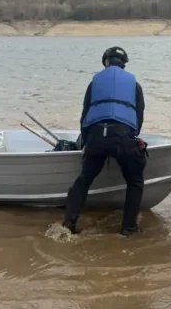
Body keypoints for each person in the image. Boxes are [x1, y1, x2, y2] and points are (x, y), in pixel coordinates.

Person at [62, 46, 147, 236]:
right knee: (134, 182)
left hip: (96, 137)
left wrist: (85, 140)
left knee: (84, 180)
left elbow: (85, 115)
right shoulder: (135, 85)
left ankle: (68, 225)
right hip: (122, 136)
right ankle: (129, 229)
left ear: (105, 62)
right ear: (124, 64)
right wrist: (131, 136)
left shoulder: (94, 83)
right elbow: (138, 117)